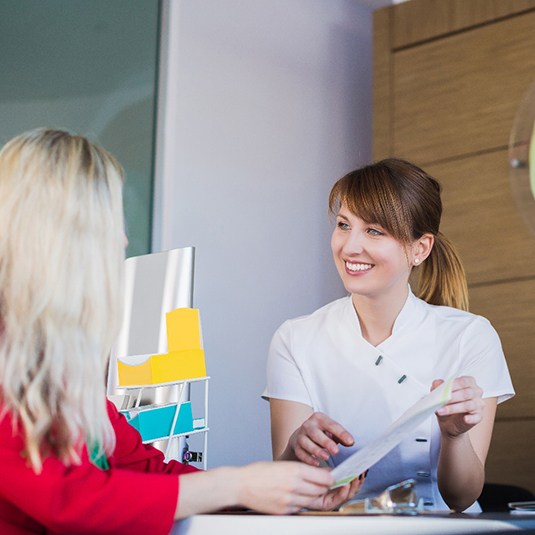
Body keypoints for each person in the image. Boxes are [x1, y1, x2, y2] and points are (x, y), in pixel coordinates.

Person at [0, 128, 363, 535]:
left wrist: (271, 491)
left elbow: (144, 469)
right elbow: (71, 499)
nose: (121, 239)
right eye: (108, 224)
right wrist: (238, 485)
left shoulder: (57, 369)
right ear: (57, 236)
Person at [263, 158, 515, 513]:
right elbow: (288, 490)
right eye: (343, 225)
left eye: (374, 231)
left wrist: (455, 436)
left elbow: (462, 496)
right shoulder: (294, 338)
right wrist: (296, 449)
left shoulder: (470, 336)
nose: (350, 247)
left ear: (420, 249)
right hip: (336, 527)